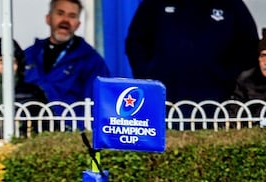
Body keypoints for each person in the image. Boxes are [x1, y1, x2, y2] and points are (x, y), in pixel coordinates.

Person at [125, 0, 258, 103]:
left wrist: (227, 79)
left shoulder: (231, 4)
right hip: (163, 99)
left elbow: (248, 46)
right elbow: (136, 41)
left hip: (215, 102)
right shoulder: (155, 3)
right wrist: (147, 74)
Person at [24, 0, 110, 105]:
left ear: (78, 24)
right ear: (48, 18)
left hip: (70, 121)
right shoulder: (28, 55)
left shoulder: (92, 61)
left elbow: (97, 106)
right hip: (28, 119)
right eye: (60, 13)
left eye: (72, 16)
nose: (65, 20)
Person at [0, 37, 47, 139]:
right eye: (1, 61)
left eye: (12, 61)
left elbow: (47, 130)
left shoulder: (33, 94)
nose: (7, 67)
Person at [230, 28, 266, 113]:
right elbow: (234, 116)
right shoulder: (245, 81)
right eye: (263, 56)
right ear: (258, 58)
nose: (265, 62)